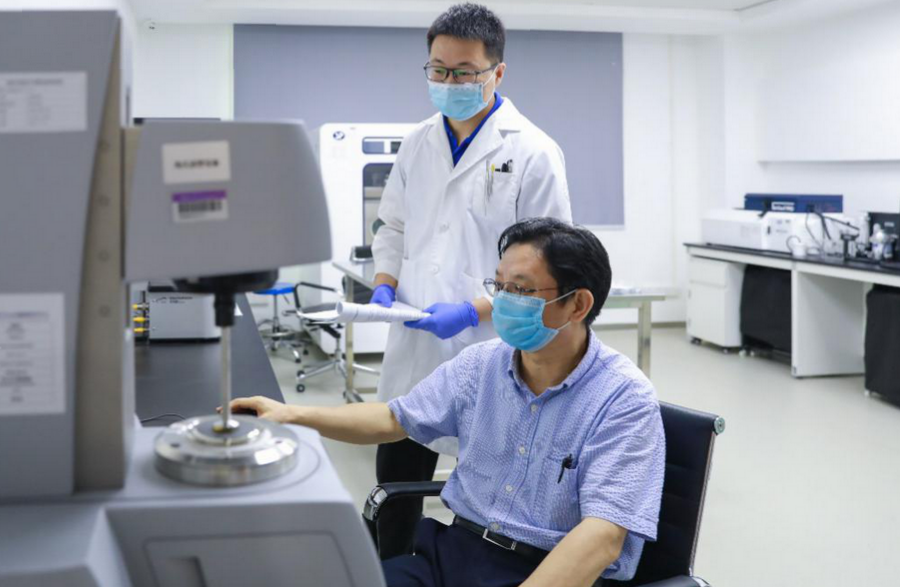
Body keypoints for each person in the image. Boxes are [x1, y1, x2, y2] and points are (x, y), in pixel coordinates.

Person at [230, 218, 665, 587]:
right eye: (499, 285)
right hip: (452, 554)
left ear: (578, 304)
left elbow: (603, 537)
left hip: (549, 570)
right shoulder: (481, 364)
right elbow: (393, 419)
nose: (503, 301)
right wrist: (290, 414)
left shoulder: (622, 399)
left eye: (521, 289)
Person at [369, 2, 572, 558]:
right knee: (396, 477)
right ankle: (395, 568)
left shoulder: (532, 151)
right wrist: (385, 282)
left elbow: (550, 263)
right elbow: (393, 224)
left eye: (464, 72)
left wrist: (474, 309)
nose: (449, 82)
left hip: (488, 342)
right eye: (438, 69)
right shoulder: (417, 142)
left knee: (487, 489)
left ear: (497, 72)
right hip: (414, 338)